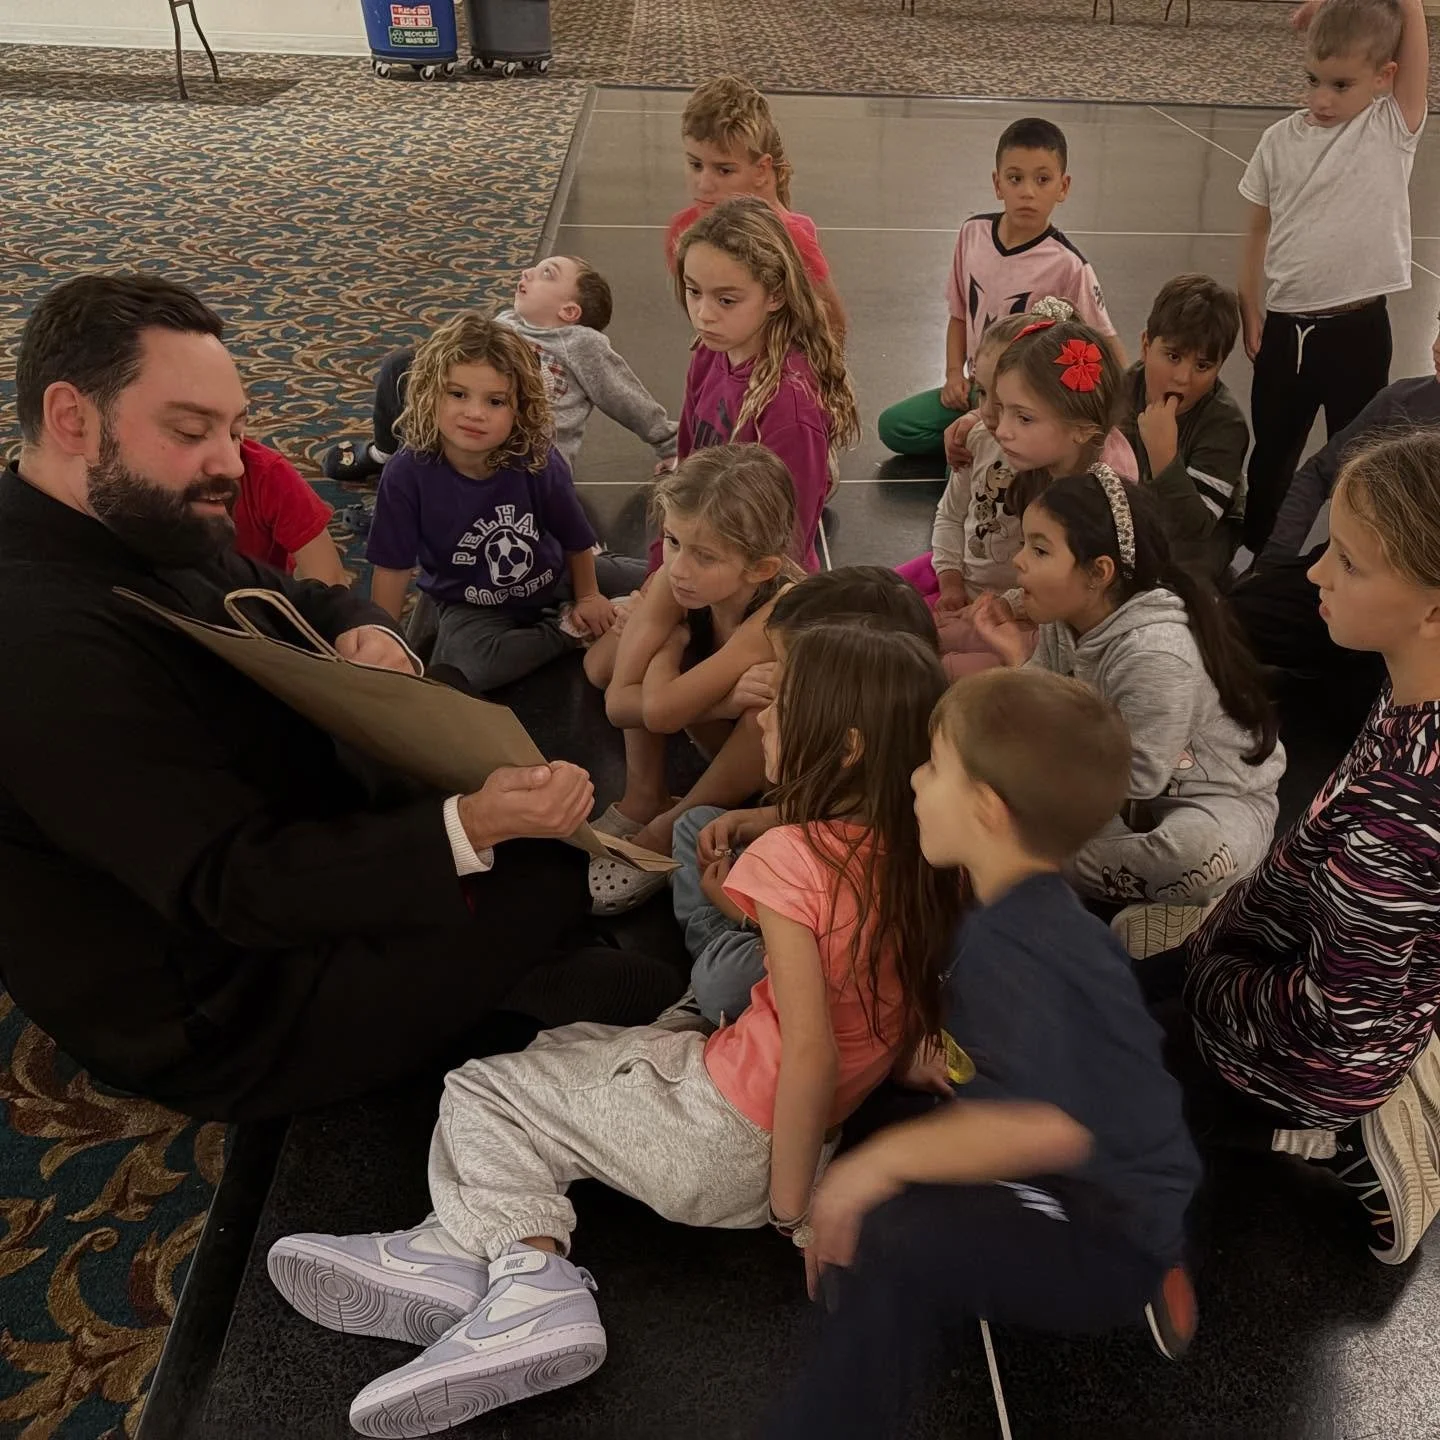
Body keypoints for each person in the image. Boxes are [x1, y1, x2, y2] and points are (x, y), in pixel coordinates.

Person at [0, 273, 680, 1121]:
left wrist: (375, 633)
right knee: (535, 865)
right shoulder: (39, 644)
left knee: (464, 716)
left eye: (236, 427)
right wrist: (468, 828)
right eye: (191, 430)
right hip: (218, 1003)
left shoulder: (135, 510)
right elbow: (229, 882)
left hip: (269, 845)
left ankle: (490, 952)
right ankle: (504, 982)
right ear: (72, 419)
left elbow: (302, 598)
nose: (231, 462)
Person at [265, 624, 961, 1437]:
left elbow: (807, 1046)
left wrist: (787, 1205)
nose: (762, 717)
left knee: (483, 1089)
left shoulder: (794, 858)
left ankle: (532, 1280)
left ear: (841, 747)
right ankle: (451, 1253)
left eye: (780, 706)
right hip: (783, 1129)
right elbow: (856, 976)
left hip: (726, 1136)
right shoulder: (918, 854)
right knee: (563, 1054)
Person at [761, 666, 1201, 1440]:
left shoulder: (1011, 945)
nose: (913, 780)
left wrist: (871, 1171)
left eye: (933, 768)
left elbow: (1049, 1128)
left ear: (988, 811)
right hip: (1122, 1175)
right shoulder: (1037, 911)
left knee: (885, 1234)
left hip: (1098, 1226)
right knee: (892, 1135)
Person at [1129, 432, 1440, 1266]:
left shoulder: (1402, 819)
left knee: (1105, 1095)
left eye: (1349, 560)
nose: (1315, 574)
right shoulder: (1414, 687)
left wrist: (1208, 976)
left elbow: (1333, 1017)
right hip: (1316, 958)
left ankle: (1333, 1133)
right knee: (1116, 982)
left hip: (1316, 1050)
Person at [977, 469, 1284, 908]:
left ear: (1098, 573)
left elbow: (1136, 775)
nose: (1019, 561)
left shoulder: (1156, 654)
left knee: (1191, 859)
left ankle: (1187, 911)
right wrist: (1015, 661)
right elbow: (1044, 703)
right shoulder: (1063, 616)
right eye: (1026, 544)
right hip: (1120, 797)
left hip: (1214, 800)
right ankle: (1144, 902)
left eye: (1039, 549)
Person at [673, 565, 942, 1026]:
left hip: (813, 951)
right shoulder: (870, 767)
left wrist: (741, 917)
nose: (768, 699)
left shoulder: (896, 826)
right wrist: (763, 819)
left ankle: (711, 975)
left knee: (722, 980)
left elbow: (847, 951)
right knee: (694, 825)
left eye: (790, 677)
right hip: (796, 906)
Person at [366, 312, 647, 693]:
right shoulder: (406, 474)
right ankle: (569, 630)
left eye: (495, 401)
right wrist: (386, 640)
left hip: (555, 574)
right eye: (457, 394)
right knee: (469, 670)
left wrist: (589, 594)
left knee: (664, 581)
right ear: (429, 392)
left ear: (520, 408)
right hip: (470, 601)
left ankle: (602, 601)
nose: (475, 413)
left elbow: (574, 538)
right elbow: (393, 569)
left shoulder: (537, 459)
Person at [1237, 0, 1428, 555]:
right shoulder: (1278, 141)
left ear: (1383, 77)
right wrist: (1250, 301)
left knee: (1359, 459)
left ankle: (1352, 562)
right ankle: (1259, 562)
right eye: (1312, 80)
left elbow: (1412, 20)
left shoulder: (1391, 127)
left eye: (1341, 85)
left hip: (1358, 332)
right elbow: (1257, 230)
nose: (1320, 98)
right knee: (1273, 452)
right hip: (1285, 329)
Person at [586, 446, 801, 915]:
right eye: (673, 541)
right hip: (710, 732)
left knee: (762, 704)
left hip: (782, 769)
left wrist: (669, 650)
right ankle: (644, 798)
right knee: (647, 673)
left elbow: (659, 711)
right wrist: (711, 701)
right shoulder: (675, 580)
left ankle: (669, 826)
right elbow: (618, 704)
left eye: (705, 556)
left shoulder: (777, 614)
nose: (679, 568)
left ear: (761, 569)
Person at [1227, 317, 1440, 745]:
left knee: (1361, 720)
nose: (1439, 346)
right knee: (1225, 620)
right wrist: (1273, 562)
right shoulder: (1403, 401)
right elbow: (1319, 473)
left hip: (1414, 629)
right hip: (1344, 577)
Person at [898, 306, 1137, 677]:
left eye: (1020, 415)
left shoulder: (1095, 488)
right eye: (988, 400)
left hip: (1042, 631)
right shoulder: (1034, 453)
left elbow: (1063, 607)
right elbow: (954, 513)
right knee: (885, 610)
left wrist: (998, 612)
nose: (998, 425)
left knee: (931, 668)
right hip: (1009, 607)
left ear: (1077, 425)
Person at [876, 117, 1124, 462]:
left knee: (963, 460)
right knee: (895, 427)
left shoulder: (1069, 266)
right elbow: (959, 314)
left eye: (1042, 179)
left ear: (1063, 187)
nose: (1027, 191)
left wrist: (1120, 415)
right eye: (1015, 178)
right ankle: (981, 442)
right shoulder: (972, 234)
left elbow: (1105, 345)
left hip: (1024, 403)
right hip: (978, 390)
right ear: (997, 184)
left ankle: (991, 446)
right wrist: (953, 376)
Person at [323, 255, 677, 483]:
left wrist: (670, 444)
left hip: (524, 460)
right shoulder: (502, 324)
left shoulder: (579, 343)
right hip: (467, 429)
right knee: (401, 366)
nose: (527, 273)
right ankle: (389, 455)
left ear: (570, 311)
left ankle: (410, 506)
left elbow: (624, 395)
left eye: (546, 275)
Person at [664, 196, 859, 575]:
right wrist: (663, 563)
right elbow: (685, 470)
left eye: (726, 299)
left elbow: (786, 548)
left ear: (776, 295)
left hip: (754, 588)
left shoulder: (788, 407)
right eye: (693, 291)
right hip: (696, 556)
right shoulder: (710, 352)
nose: (703, 315)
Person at [664, 73, 847, 346]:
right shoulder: (684, 233)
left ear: (761, 170)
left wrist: (817, 381)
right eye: (695, 165)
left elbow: (832, 326)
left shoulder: (793, 240)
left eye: (724, 170)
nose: (703, 184)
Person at [1117, 274, 1250, 581]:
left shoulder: (1224, 424)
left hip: (1194, 547)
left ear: (1220, 366)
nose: (1183, 378)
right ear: (1146, 345)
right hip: (1132, 526)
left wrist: (1163, 457)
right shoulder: (1121, 392)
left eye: (1202, 366)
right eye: (1173, 356)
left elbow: (1195, 527)